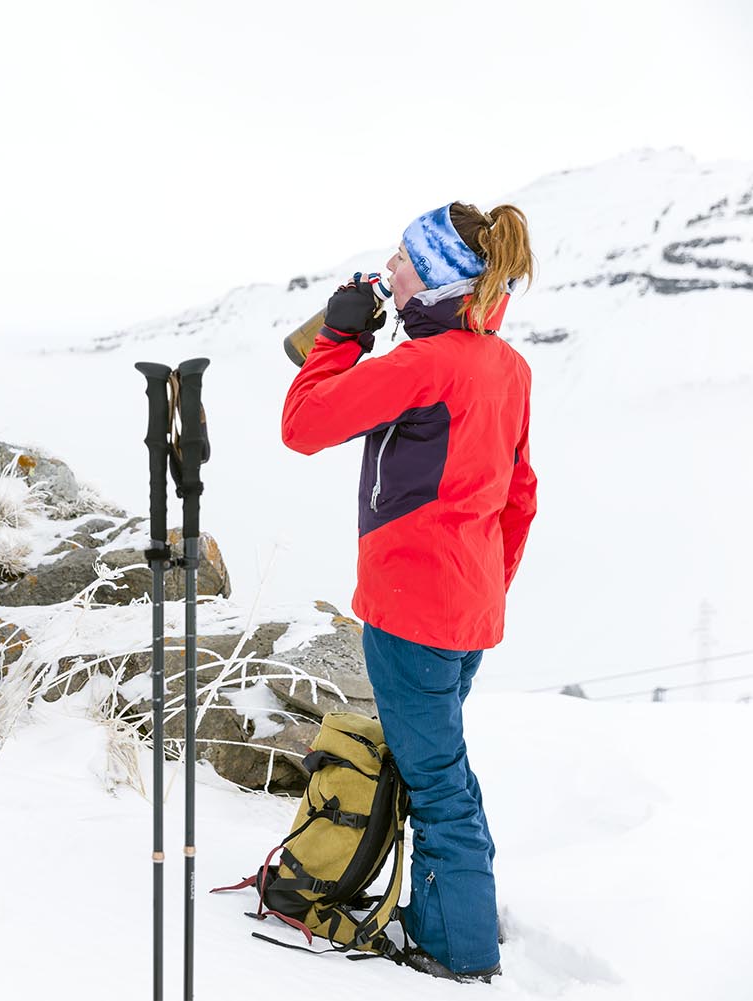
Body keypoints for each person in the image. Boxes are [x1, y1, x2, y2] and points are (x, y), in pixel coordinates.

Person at [279, 202, 538, 981]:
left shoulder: (425, 365)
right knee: (446, 769)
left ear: (434, 278)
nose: (388, 267)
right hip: (466, 615)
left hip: (409, 615)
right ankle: (457, 913)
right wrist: (484, 588)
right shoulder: (506, 366)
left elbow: (304, 423)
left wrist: (336, 340)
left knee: (438, 783)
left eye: (401, 258)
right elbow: (520, 497)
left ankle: (457, 951)